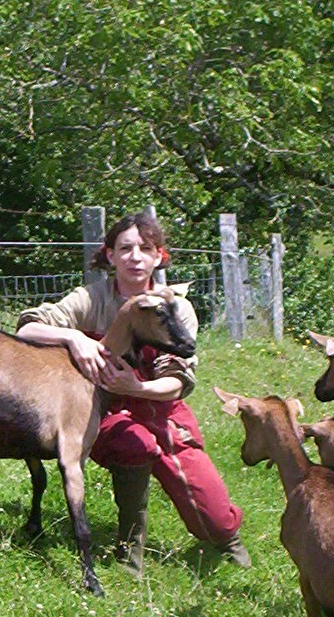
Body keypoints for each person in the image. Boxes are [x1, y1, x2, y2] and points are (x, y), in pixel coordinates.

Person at [17, 212, 250, 574]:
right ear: (110, 255)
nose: (135, 257)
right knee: (133, 442)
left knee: (216, 520)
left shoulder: (176, 307)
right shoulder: (91, 299)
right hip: (107, 415)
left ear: (159, 256)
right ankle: (130, 550)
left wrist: (137, 387)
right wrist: (74, 337)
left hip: (164, 414)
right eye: (124, 248)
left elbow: (179, 381)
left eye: (145, 248)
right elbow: (27, 329)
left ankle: (227, 539)